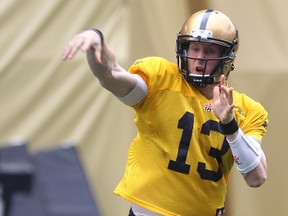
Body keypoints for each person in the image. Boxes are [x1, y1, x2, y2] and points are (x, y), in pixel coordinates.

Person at [62, 9, 268, 216]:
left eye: (209, 51)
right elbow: (111, 76)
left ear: (226, 57)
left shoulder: (247, 109)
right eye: (194, 48)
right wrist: (96, 40)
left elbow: (256, 177)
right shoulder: (161, 80)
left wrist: (230, 125)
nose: (198, 59)